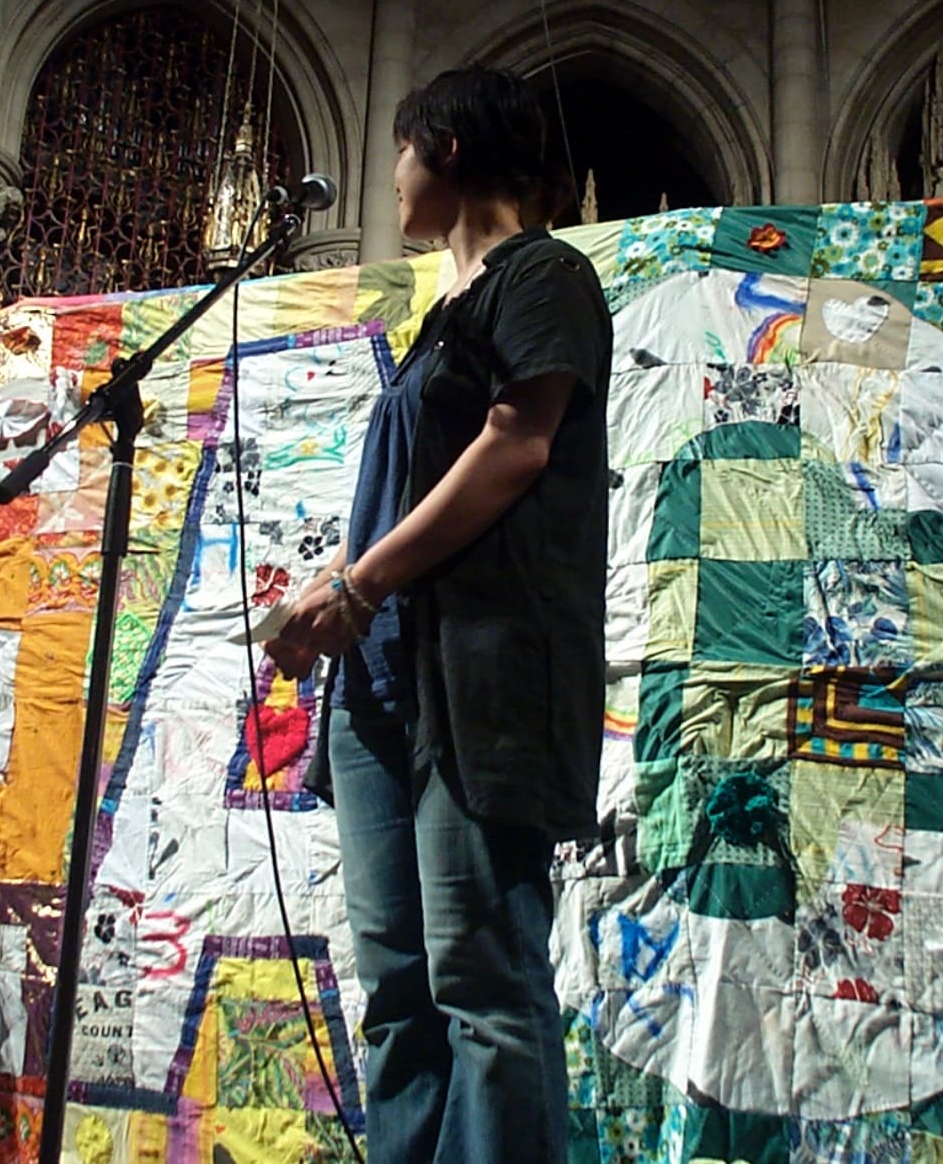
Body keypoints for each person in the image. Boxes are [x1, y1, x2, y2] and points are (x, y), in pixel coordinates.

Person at [270, 66, 612, 1163]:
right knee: (398, 990)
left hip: (478, 687)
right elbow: (411, 492)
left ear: (448, 148)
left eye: (401, 149)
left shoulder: (541, 274)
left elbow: (515, 446)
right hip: (379, 689)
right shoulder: (438, 321)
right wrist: (328, 592)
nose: (393, 176)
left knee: (484, 982)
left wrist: (361, 584)